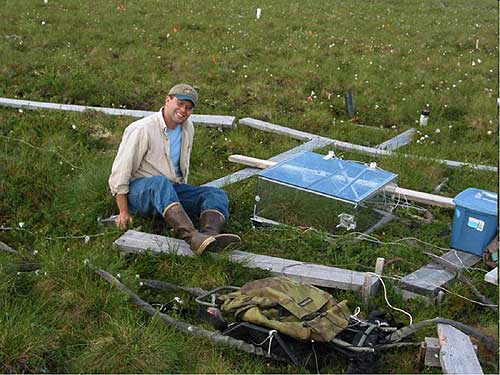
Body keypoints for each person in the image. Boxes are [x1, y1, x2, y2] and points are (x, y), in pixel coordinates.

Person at [108, 83, 240, 256]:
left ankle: (209, 237)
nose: (183, 110)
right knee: (160, 183)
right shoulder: (142, 129)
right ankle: (192, 237)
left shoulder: (187, 128)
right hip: (138, 193)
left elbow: (181, 166)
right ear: (167, 100)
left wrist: (182, 197)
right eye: (179, 103)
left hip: (169, 189)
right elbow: (120, 172)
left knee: (215, 194)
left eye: (188, 108)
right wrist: (123, 212)